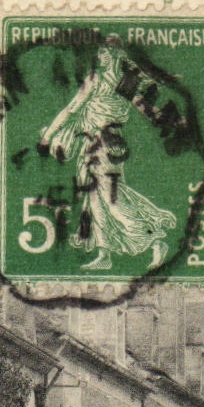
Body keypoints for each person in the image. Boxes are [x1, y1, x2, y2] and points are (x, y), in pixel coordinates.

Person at [39, 37, 177, 272]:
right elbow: (73, 109)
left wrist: (47, 136)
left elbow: (72, 110)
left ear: (115, 53)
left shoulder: (116, 81)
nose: (100, 56)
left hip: (106, 144)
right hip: (94, 144)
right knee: (96, 199)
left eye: (104, 52)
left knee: (111, 198)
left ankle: (155, 239)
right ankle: (104, 254)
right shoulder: (106, 80)